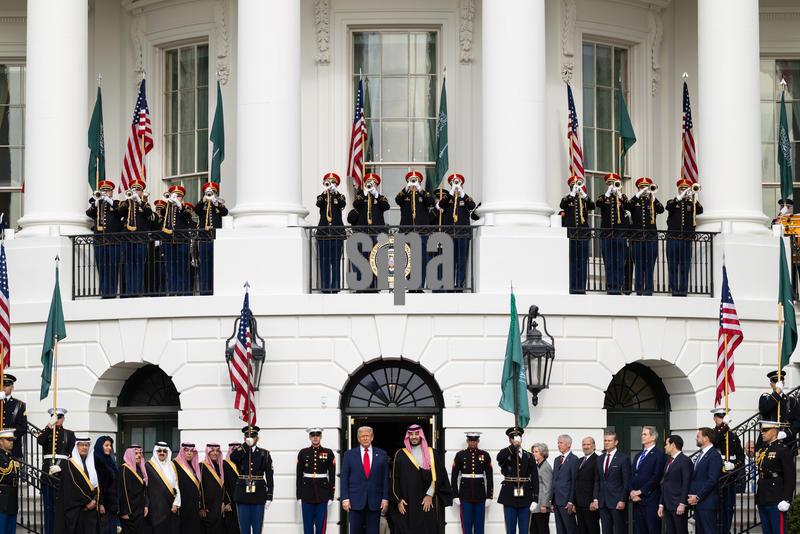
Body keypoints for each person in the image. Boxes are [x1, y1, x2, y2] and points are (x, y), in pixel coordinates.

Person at [390, 424, 451, 534]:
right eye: (411, 434)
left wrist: (429, 495)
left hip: (426, 502)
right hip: (407, 502)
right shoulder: (400, 454)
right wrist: (398, 500)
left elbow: (439, 476)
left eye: (416, 434)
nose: (414, 437)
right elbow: (395, 479)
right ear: (407, 437)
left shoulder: (432, 453)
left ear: (421, 435)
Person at [340, 426, 389, 534]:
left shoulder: (382, 454)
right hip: (354, 501)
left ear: (372, 437)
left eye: (367, 436)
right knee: (355, 531)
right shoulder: (349, 455)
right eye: (362, 436)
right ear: (358, 439)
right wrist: (345, 498)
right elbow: (344, 478)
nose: (365, 438)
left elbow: (385, 478)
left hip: (375, 501)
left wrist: (385, 498)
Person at [433, 173, 478, 289]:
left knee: (461, 260)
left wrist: (463, 194)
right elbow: (440, 205)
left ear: (462, 184)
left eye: (458, 182)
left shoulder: (465, 198)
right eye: (454, 182)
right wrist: (451, 192)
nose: (456, 184)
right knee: (450, 260)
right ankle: (449, 283)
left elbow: (472, 206)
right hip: (449, 234)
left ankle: (459, 284)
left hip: (462, 233)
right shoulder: (447, 198)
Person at [229, 427, 274, 534]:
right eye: (248, 437)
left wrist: (269, 496)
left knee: (257, 527)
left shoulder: (265, 454)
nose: (251, 439)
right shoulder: (240, 452)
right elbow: (233, 458)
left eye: (253, 437)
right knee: (244, 528)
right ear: (244, 439)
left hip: (258, 494)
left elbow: (269, 476)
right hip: (242, 494)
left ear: (257, 438)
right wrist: (245, 446)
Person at [38, 408, 76, 534]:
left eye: (59, 417)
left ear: (63, 418)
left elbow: (71, 455)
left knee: (61, 508)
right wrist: (49, 425)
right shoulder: (47, 432)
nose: (58, 419)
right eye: (55, 417)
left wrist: (63, 467)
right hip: (47, 473)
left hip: (62, 474)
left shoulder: (69, 434)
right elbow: (40, 440)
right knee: (49, 508)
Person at [625, 177, 663, 296]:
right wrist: (638, 194)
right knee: (639, 266)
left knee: (649, 266)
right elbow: (627, 206)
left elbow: (661, 209)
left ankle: (648, 291)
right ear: (638, 188)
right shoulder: (635, 202)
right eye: (643, 187)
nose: (645, 189)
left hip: (651, 238)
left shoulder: (651, 201)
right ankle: (639, 290)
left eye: (647, 187)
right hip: (637, 238)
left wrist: (653, 195)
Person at [755, 420, 795, 534]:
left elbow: (790, 476)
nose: (762, 433)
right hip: (763, 496)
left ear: (774, 432)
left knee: (778, 531)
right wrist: (758, 499)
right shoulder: (763, 450)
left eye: (766, 430)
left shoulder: (782, 450)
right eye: (762, 430)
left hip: (776, 497)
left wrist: (787, 498)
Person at [497, 427, 538, 534]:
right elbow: (500, 458)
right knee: (510, 529)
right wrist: (512, 447)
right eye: (514, 438)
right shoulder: (505, 453)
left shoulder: (529, 456)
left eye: (519, 437)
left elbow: (535, 477)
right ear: (509, 440)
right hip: (509, 495)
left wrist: (535, 498)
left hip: (526, 496)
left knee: (524, 529)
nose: (517, 439)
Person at [56, 436, 101, 534]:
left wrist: (95, 500)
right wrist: (88, 502)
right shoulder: (69, 464)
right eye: (81, 445)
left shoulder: (94, 464)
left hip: (93, 509)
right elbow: (71, 488)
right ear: (76, 447)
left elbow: (99, 484)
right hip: (77, 510)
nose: (84, 447)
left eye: (87, 445)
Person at [396, 170, 433, 288]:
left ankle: (419, 286)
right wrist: (405, 189)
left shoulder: (423, 195)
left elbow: (431, 203)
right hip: (407, 233)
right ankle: (410, 285)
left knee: (421, 260)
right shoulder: (404, 195)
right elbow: (397, 200)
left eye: (415, 180)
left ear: (420, 182)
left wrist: (421, 190)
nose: (413, 182)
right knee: (408, 260)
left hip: (421, 233)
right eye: (411, 180)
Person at [665, 179, 702, 296]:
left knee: (685, 266)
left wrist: (693, 198)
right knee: (673, 265)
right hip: (673, 238)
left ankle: (683, 291)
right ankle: (674, 290)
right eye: (682, 188)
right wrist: (681, 196)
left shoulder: (692, 204)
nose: (684, 190)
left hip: (686, 239)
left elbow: (700, 210)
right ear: (678, 189)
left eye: (686, 188)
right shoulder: (673, 202)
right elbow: (668, 207)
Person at [451, 432, 493, 534]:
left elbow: (489, 477)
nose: (473, 442)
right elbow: (454, 476)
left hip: (480, 494)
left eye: (475, 440)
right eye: (470, 440)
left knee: (479, 524)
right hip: (465, 494)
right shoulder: (460, 455)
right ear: (467, 441)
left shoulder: (485, 455)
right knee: (466, 524)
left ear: (478, 441)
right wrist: (455, 495)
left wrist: (489, 496)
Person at [710, 407, 743, 533]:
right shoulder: (712, 433)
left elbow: (741, 455)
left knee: (729, 507)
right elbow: (714, 441)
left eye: (724, 416)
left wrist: (734, 465)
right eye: (719, 416)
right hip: (718, 474)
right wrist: (724, 426)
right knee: (717, 506)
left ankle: (726, 530)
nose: (722, 418)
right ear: (714, 418)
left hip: (730, 475)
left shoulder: (733, 435)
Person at [296, 428, 336, 534]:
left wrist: (331, 496)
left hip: (323, 494)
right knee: (307, 526)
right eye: (313, 435)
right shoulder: (303, 452)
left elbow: (332, 475)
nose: (315, 437)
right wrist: (299, 496)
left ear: (321, 437)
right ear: (309, 437)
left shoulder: (328, 452)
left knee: (321, 526)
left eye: (317, 435)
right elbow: (299, 476)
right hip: (306, 493)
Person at [86, 180, 121, 298]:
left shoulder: (116, 203)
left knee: (112, 267)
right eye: (103, 190)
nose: (105, 192)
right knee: (102, 268)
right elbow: (88, 213)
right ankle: (104, 293)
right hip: (99, 241)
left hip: (113, 241)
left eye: (107, 190)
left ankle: (112, 293)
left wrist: (109, 201)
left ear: (112, 192)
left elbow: (121, 211)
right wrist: (96, 203)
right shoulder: (97, 204)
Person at [561, 175, 595, 294]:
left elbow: (593, 205)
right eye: (575, 185)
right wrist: (572, 193)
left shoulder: (584, 200)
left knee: (582, 261)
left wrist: (584, 194)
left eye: (579, 184)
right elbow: (562, 205)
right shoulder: (568, 199)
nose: (577, 186)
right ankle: (573, 286)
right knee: (573, 262)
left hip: (583, 234)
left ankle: (581, 287)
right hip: (571, 235)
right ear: (571, 186)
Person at [118, 179, 152, 297]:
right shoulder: (126, 203)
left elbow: (149, 214)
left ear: (142, 192)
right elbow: (119, 213)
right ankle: (128, 291)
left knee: (138, 265)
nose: (135, 191)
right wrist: (129, 200)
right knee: (128, 265)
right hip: (127, 238)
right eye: (134, 189)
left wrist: (139, 201)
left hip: (140, 238)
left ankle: (136, 291)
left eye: (138, 190)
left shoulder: (145, 204)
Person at [595, 173, 628, 295]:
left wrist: (619, 193)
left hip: (620, 235)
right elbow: (598, 204)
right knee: (609, 262)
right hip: (607, 235)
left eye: (614, 183)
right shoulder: (603, 198)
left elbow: (629, 205)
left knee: (620, 262)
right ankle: (610, 287)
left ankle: (618, 286)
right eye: (610, 183)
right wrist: (608, 192)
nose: (612, 185)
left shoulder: (622, 197)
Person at [629, 426, 665, 534]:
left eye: (645, 434)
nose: (642, 436)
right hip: (636, 500)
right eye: (642, 434)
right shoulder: (638, 455)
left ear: (653, 437)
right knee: (639, 530)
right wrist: (631, 492)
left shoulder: (659, 455)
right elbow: (632, 475)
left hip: (651, 499)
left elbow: (656, 477)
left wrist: (640, 492)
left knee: (652, 529)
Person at [194, 182, 228, 295]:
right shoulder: (202, 205)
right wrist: (203, 200)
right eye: (208, 192)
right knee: (204, 265)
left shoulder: (218, 204)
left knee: (215, 265)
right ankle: (204, 290)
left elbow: (225, 212)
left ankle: (215, 290)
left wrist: (216, 203)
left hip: (215, 239)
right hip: (204, 238)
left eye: (213, 192)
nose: (210, 194)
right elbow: (196, 210)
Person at [161, 185, 195, 296]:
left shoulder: (185, 208)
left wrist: (179, 205)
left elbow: (187, 216)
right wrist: (169, 203)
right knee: (170, 269)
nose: (177, 197)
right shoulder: (167, 208)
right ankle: (172, 291)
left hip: (182, 242)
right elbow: (161, 213)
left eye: (179, 196)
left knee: (182, 268)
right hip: (168, 242)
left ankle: (182, 292)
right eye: (175, 196)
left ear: (182, 198)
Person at [593, 431, 629, 534]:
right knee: (605, 530)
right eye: (605, 440)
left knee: (619, 530)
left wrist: (623, 500)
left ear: (616, 442)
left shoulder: (623, 458)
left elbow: (626, 482)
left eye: (609, 440)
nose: (607, 443)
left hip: (617, 501)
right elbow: (597, 480)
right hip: (603, 502)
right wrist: (595, 498)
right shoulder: (600, 459)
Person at [315, 173, 346, 293]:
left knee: (336, 261)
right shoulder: (321, 197)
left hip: (336, 233)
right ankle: (325, 287)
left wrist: (336, 193)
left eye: (333, 182)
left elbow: (342, 204)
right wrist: (325, 192)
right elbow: (319, 204)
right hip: (323, 232)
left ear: (336, 184)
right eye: (328, 182)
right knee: (324, 261)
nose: (330, 184)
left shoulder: (340, 197)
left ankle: (336, 286)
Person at [688, 428, 722, 534]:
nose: (696, 438)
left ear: (706, 439)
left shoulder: (714, 455)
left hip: (707, 502)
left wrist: (698, 496)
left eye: (698, 436)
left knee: (709, 531)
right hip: (699, 503)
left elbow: (712, 480)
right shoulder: (701, 454)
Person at [657, 435, 691, 534]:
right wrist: (661, 504)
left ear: (673, 445)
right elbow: (665, 483)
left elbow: (686, 482)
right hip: (668, 504)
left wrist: (682, 503)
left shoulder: (685, 460)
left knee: (681, 531)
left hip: (678, 504)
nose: (664, 447)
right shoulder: (669, 460)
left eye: (666, 444)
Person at [145, 442, 180, 534]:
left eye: (165, 451)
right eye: (159, 450)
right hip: (155, 508)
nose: (162, 453)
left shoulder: (172, 465)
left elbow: (176, 486)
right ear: (155, 452)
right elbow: (145, 489)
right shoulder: (148, 466)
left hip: (171, 506)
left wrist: (176, 503)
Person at [758, 370, 800, 444]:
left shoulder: (792, 401)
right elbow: (765, 410)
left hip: (787, 442)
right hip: (768, 441)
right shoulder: (765, 398)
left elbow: (797, 422)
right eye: (775, 381)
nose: (778, 384)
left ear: (783, 383)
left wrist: (786, 433)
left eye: (780, 381)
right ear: (771, 384)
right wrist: (777, 393)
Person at [119, 445, 148, 534]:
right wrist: (125, 511)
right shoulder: (124, 469)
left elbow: (145, 490)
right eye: (136, 453)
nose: (139, 455)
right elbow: (122, 491)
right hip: (130, 512)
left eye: (140, 453)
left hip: (140, 510)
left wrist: (146, 505)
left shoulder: (140, 469)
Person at [93, 436, 120, 534]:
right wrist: (100, 503)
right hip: (104, 504)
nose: (109, 448)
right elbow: (98, 484)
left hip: (112, 503)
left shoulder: (110, 460)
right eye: (106, 445)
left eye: (110, 445)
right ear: (100, 446)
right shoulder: (96, 461)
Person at [551, 434, 577, 534]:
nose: (558, 445)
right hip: (556, 501)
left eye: (561, 443)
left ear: (568, 445)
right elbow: (554, 480)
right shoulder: (557, 460)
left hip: (566, 502)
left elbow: (574, 482)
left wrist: (571, 501)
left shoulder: (574, 460)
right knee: (560, 529)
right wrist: (552, 500)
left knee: (570, 529)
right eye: (558, 443)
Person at [174, 443, 202, 534]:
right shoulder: (174, 464)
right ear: (182, 452)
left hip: (193, 505)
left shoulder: (195, 466)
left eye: (191, 451)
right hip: (182, 505)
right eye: (186, 451)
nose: (189, 453)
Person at [200, 443, 228, 534]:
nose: (215, 453)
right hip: (208, 507)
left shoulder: (221, 466)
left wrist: (224, 501)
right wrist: (202, 507)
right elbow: (200, 487)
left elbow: (224, 486)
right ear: (208, 452)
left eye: (217, 451)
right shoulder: (201, 466)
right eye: (212, 451)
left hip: (219, 505)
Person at [574, 437, 599, 534]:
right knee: (581, 530)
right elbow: (576, 482)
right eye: (584, 444)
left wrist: (594, 500)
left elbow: (597, 481)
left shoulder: (598, 460)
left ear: (594, 446)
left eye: (588, 444)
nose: (586, 447)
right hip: (579, 503)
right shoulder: (579, 461)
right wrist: (574, 501)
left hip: (590, 503)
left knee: (592, 529)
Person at [0, 374, 26, 459]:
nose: (4, 387)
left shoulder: (19, 405)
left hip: (13, 447)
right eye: (2, 384)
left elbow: (23, 427)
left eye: (7, 385)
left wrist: (7, 437)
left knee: (13, 471)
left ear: (12, 388)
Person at [530, 443, 552, 534]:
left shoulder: (546, 467)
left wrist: (544, 504)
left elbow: (548, 487)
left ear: (542, 453)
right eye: (533, 452)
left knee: (542, 529)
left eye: (536, 452)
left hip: (541, 505)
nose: (533, 454)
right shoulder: (537, 465)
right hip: (535, 504)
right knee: (534, 530)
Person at [0, 428, 18, 534]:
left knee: (11, 529)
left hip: (12, 496)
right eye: (8, 439)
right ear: (0, 441)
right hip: (2, 498)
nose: (11, 442)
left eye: (12, 440)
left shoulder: (11, 457)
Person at [223, 443, 240, 534]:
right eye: (234, 450)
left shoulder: (243, 465)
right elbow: (222, 484)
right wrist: (226, 501)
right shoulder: (224, 464)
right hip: (230, 502)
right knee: (230, 526)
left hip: (242, 500)